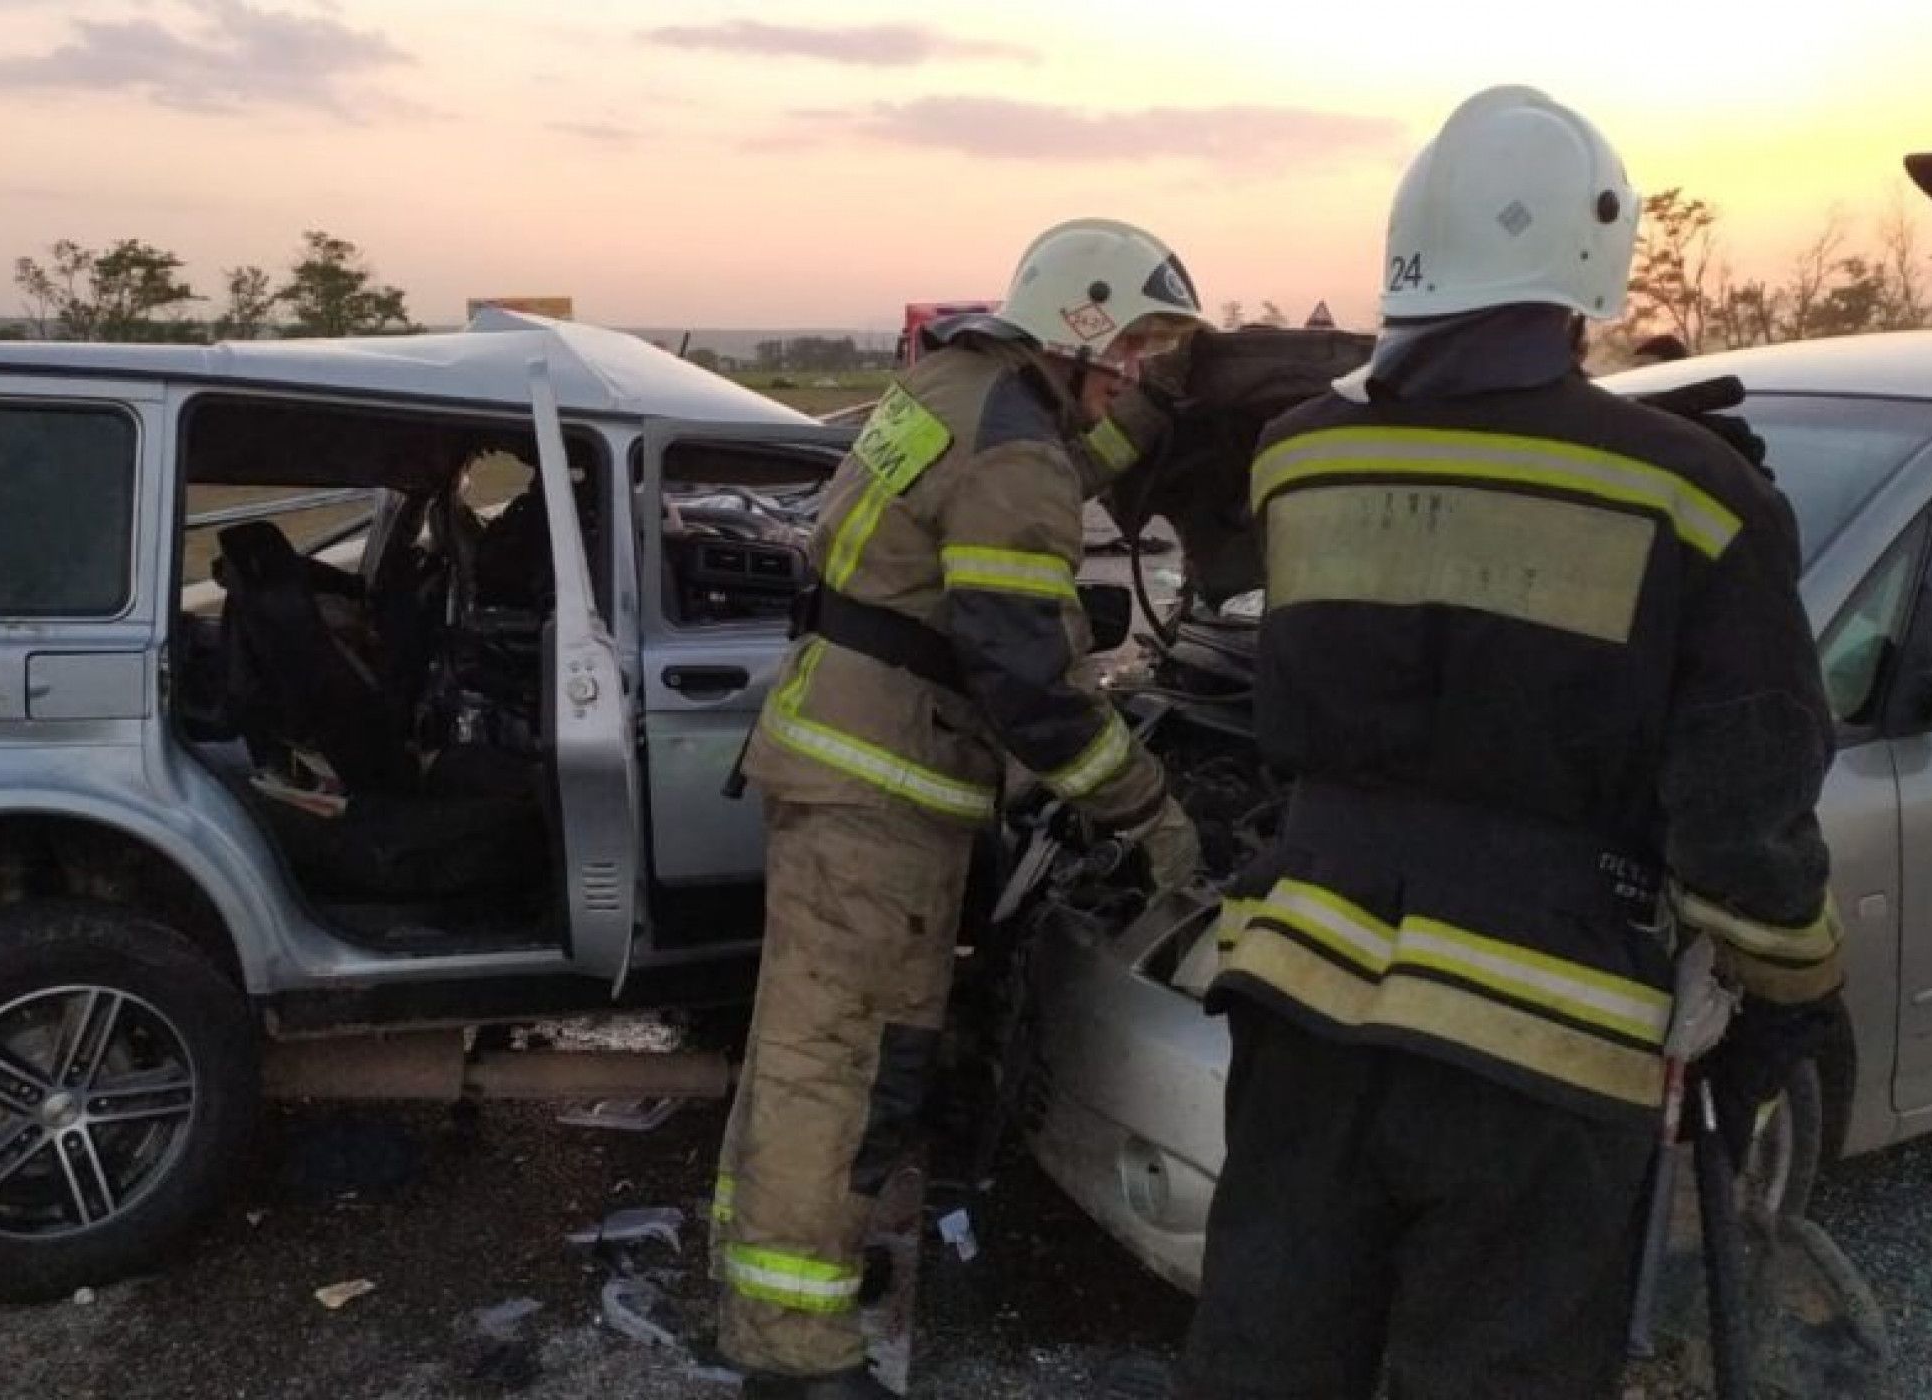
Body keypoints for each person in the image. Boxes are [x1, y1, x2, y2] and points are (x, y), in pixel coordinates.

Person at [1177, 86, 1845, 1399]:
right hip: (1542, 1049)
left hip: (1302, 1005)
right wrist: (1794, 996)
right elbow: (1744, 819)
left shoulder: (1297, 460)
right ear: (1588, 265)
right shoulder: (1699, 495)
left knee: (1263, 1361)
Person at [716, 219, 1208, 1398]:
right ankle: (793, 1345)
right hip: (880, 790)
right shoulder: (1012, 444)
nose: (1130, 369)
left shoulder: (949, 385)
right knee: (842, 1060)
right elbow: (1024, 673)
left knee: (800, 1048)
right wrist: (1147, 810)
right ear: (1081, 324)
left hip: (835, 762)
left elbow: (1044, 470)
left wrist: (1155, 414)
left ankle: (774, 1281)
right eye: (1132, 346)